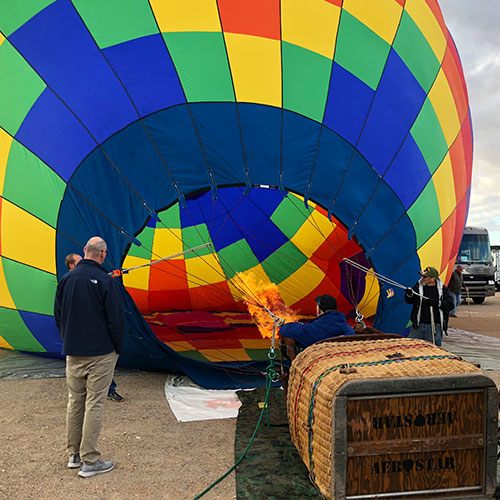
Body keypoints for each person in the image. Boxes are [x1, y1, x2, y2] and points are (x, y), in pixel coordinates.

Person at [55, 237, 125, 477]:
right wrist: (118, 347)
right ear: (103, 254)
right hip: (100, 353)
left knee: (75, 402)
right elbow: (116, 319)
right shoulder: (106, 281)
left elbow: (58, 315)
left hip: (73, 353)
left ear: (85, 251)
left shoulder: (66, 280)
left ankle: (74, 455)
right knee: (94, 403)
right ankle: (90, 461)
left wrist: (69, 341)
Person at [64, 253, 125, 403]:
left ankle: (108, 390)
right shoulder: (68, 282)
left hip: (90, 333)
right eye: (79, 262)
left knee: (101, 367)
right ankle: (90, 394)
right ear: (72, 266)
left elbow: (99, 289)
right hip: (79, 335)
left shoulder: (89, 278)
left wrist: (111, 279)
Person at [280, 294, 355, 361]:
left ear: (319, 309)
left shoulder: (313, 329)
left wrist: (285, 324)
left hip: (323, 366)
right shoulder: (348, 329)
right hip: (347, 362)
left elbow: (286, 330)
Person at [404, 266, 454, 347]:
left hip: (434, 327)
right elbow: (409, 301)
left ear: (433, 278)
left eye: (425, 276)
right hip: (418, 326)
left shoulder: (443, 290)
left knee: (433, 350)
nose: (422, 278)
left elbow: (450, 305)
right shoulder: (418, 287)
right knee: (411, 349)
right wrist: (409, 294)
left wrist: (437, 303)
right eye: (422, 276)